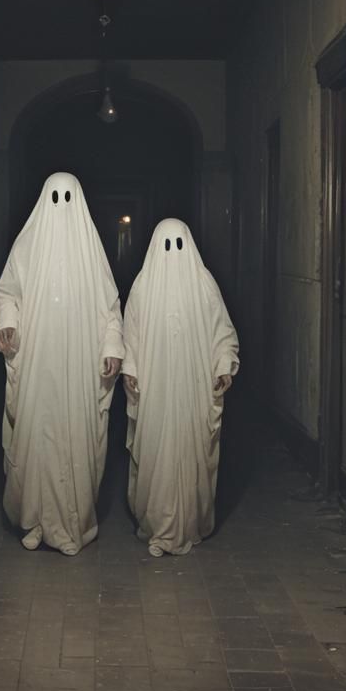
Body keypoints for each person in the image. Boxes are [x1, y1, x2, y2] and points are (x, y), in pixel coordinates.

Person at [0, 172, 124, 555]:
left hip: (79, 365)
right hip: (37, 361)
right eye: (55, 197)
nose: (61, 205)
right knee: (37, 434)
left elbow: (109, 308)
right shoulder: (27, 246)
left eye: (68, 197)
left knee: (75, 435)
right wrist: (8, 323)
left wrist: (112, 346)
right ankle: (34, 519)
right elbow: (6, 293)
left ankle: (73, 522)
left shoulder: (91, 252)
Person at [122, 218, 239, 557]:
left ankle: (188, 524)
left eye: (179, 243)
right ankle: (158, 525)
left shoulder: (204, 285)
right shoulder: (143, 286)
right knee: (157, 449)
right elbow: (131, 333)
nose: (172, 252)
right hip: (156, 386)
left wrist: (222, 365)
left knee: (190, 450)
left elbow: (222, 333)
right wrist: (131, 366)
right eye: (166, 244)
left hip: (193, 387)